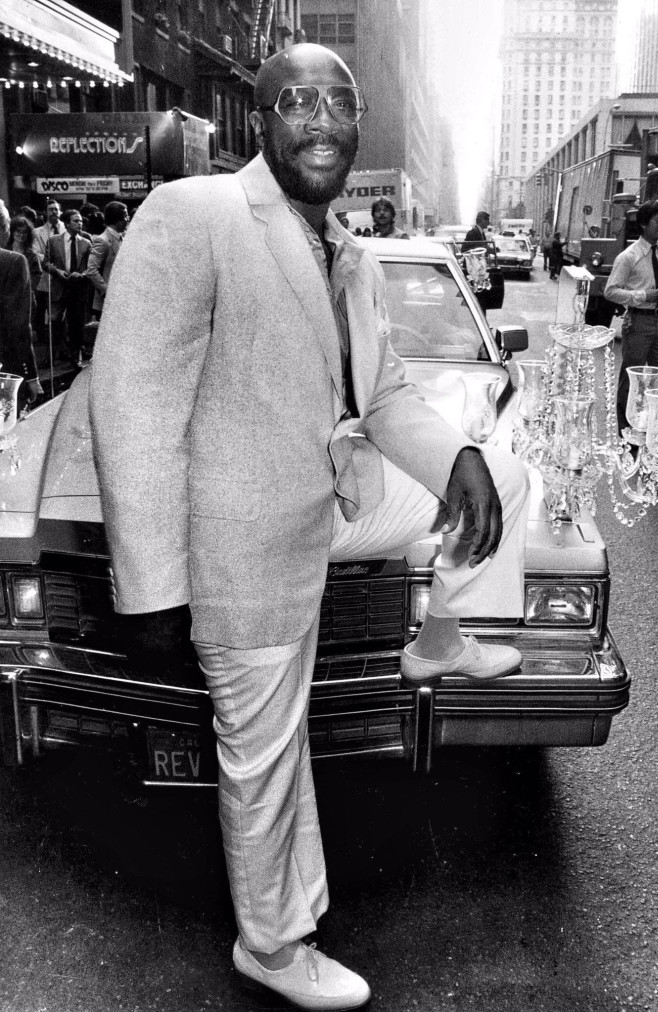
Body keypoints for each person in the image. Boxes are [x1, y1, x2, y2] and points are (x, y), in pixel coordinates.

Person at [89, 42, 530, 1012]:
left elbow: (390, 398)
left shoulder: (353, 254)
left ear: (358, 122)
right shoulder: (196, 213)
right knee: (266, 754)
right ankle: (274, 942)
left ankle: (443, 634)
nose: (322, 120)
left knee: (501, 471)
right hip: (239, 543)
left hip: (328, 503)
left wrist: (457, 460)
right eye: (298, 101)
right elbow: (132, 403)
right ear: (260, 121)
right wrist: (154, 587)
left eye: (340, 103)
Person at [604, 199, 658, 434]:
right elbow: (611, 291)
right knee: (633, 377)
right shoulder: (628, 257)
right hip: (638, 321)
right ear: (644, 224)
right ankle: (624, 428)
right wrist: (642, 295)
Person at [0, 200, 43, 407]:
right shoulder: (14, 262)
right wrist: (31, 375)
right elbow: (18, 326)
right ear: (4, 228)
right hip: (6, 365)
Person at [44, 209, 92, 368]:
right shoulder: (53, 241)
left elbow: (91, 268)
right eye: (76, 221)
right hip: (59, 287)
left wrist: (81, 274)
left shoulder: (86, 243)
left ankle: (75, 357)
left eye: (81, 221)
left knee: (76, 324)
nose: (80, 224)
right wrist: (56, 271)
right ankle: (50, 358)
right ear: (66, 223)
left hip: (77, 289)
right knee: (54, 322)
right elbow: (45, 263)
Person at [32, 200, 66, 352]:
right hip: (47, 279)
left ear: (60, 211)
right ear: (46, 212)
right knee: (48, 316)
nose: (54, 212)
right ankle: (50, 350)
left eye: (56, 209)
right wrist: (54, 266)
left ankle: (63, 348)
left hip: (66, 279)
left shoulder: (67, 228)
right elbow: (36, 253)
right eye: (50, 209)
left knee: (64, 318)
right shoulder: (37, 232)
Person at [86, 200, 129, 319]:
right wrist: (107, 291)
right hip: (107, 302)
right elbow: (91, 270)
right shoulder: (103, 240)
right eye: (126, 216)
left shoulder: (123, 238)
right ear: (118, 219)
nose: (128, 219)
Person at [7, 214, 42, 298]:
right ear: (12, 232)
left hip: (24, 296)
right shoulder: (5, 251)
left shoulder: (33, 256)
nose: (21, 235)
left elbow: (35, 279)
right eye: (18, 231)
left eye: (24, 232)